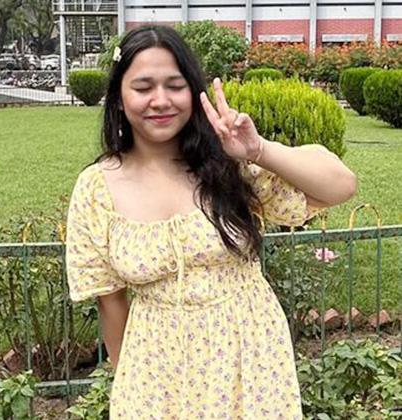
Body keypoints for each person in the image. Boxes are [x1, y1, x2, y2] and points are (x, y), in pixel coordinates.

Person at [66, 25, 357, 419]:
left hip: (249, 359)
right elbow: (110, 300)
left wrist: (258, 150)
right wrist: (129, 385)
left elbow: (341, 186)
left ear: (193, 92)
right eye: (143, 87)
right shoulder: (96, 188)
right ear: (118, 97)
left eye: (175, 85)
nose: (160, 100)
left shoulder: (227, 164)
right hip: (155, 370)